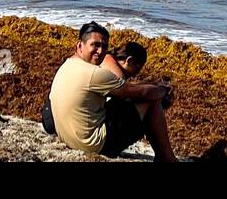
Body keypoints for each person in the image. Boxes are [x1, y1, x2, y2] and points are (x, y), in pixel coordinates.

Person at [44, 21, 177, 161]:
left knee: (121, 102)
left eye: (104, 46)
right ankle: (167, 158)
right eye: (95, 45)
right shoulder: (94, 73)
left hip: (68, 138)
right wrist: (164, 90)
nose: (100, 51)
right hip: (93, 145)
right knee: (151, 102)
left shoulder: (68, 64)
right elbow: (143, 93)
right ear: (80, 45)